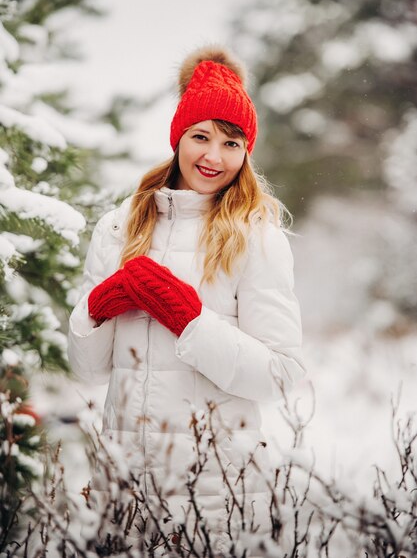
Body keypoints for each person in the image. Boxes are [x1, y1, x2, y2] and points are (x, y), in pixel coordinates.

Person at [67, 45, 305, 554]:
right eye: (200, 137)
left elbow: (282, 375)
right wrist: (99, 305)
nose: (212, 157)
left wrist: (190, 319)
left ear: (246, 152)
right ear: (178, 138)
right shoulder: (119, 226)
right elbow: (87, 371)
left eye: (231, 142)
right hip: (125, 486)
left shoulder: (256, 238)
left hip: (214, 492)